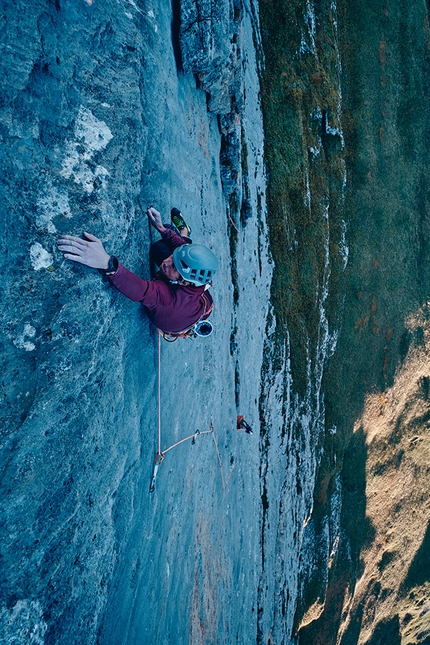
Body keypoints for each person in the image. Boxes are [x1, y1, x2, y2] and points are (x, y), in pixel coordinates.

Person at [57, 207, 218, 334]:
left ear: (184, 281)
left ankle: (184, 233)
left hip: (181, 311)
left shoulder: (167, 298)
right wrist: (163, 230)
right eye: (172, 258)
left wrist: (106, 262)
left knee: (159, 248)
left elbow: (141, 290)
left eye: (174, 267)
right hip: (200, 306)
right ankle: (184, 232)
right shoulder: (193, 280)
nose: (166, 262)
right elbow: (182, 251)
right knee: (164, 243)